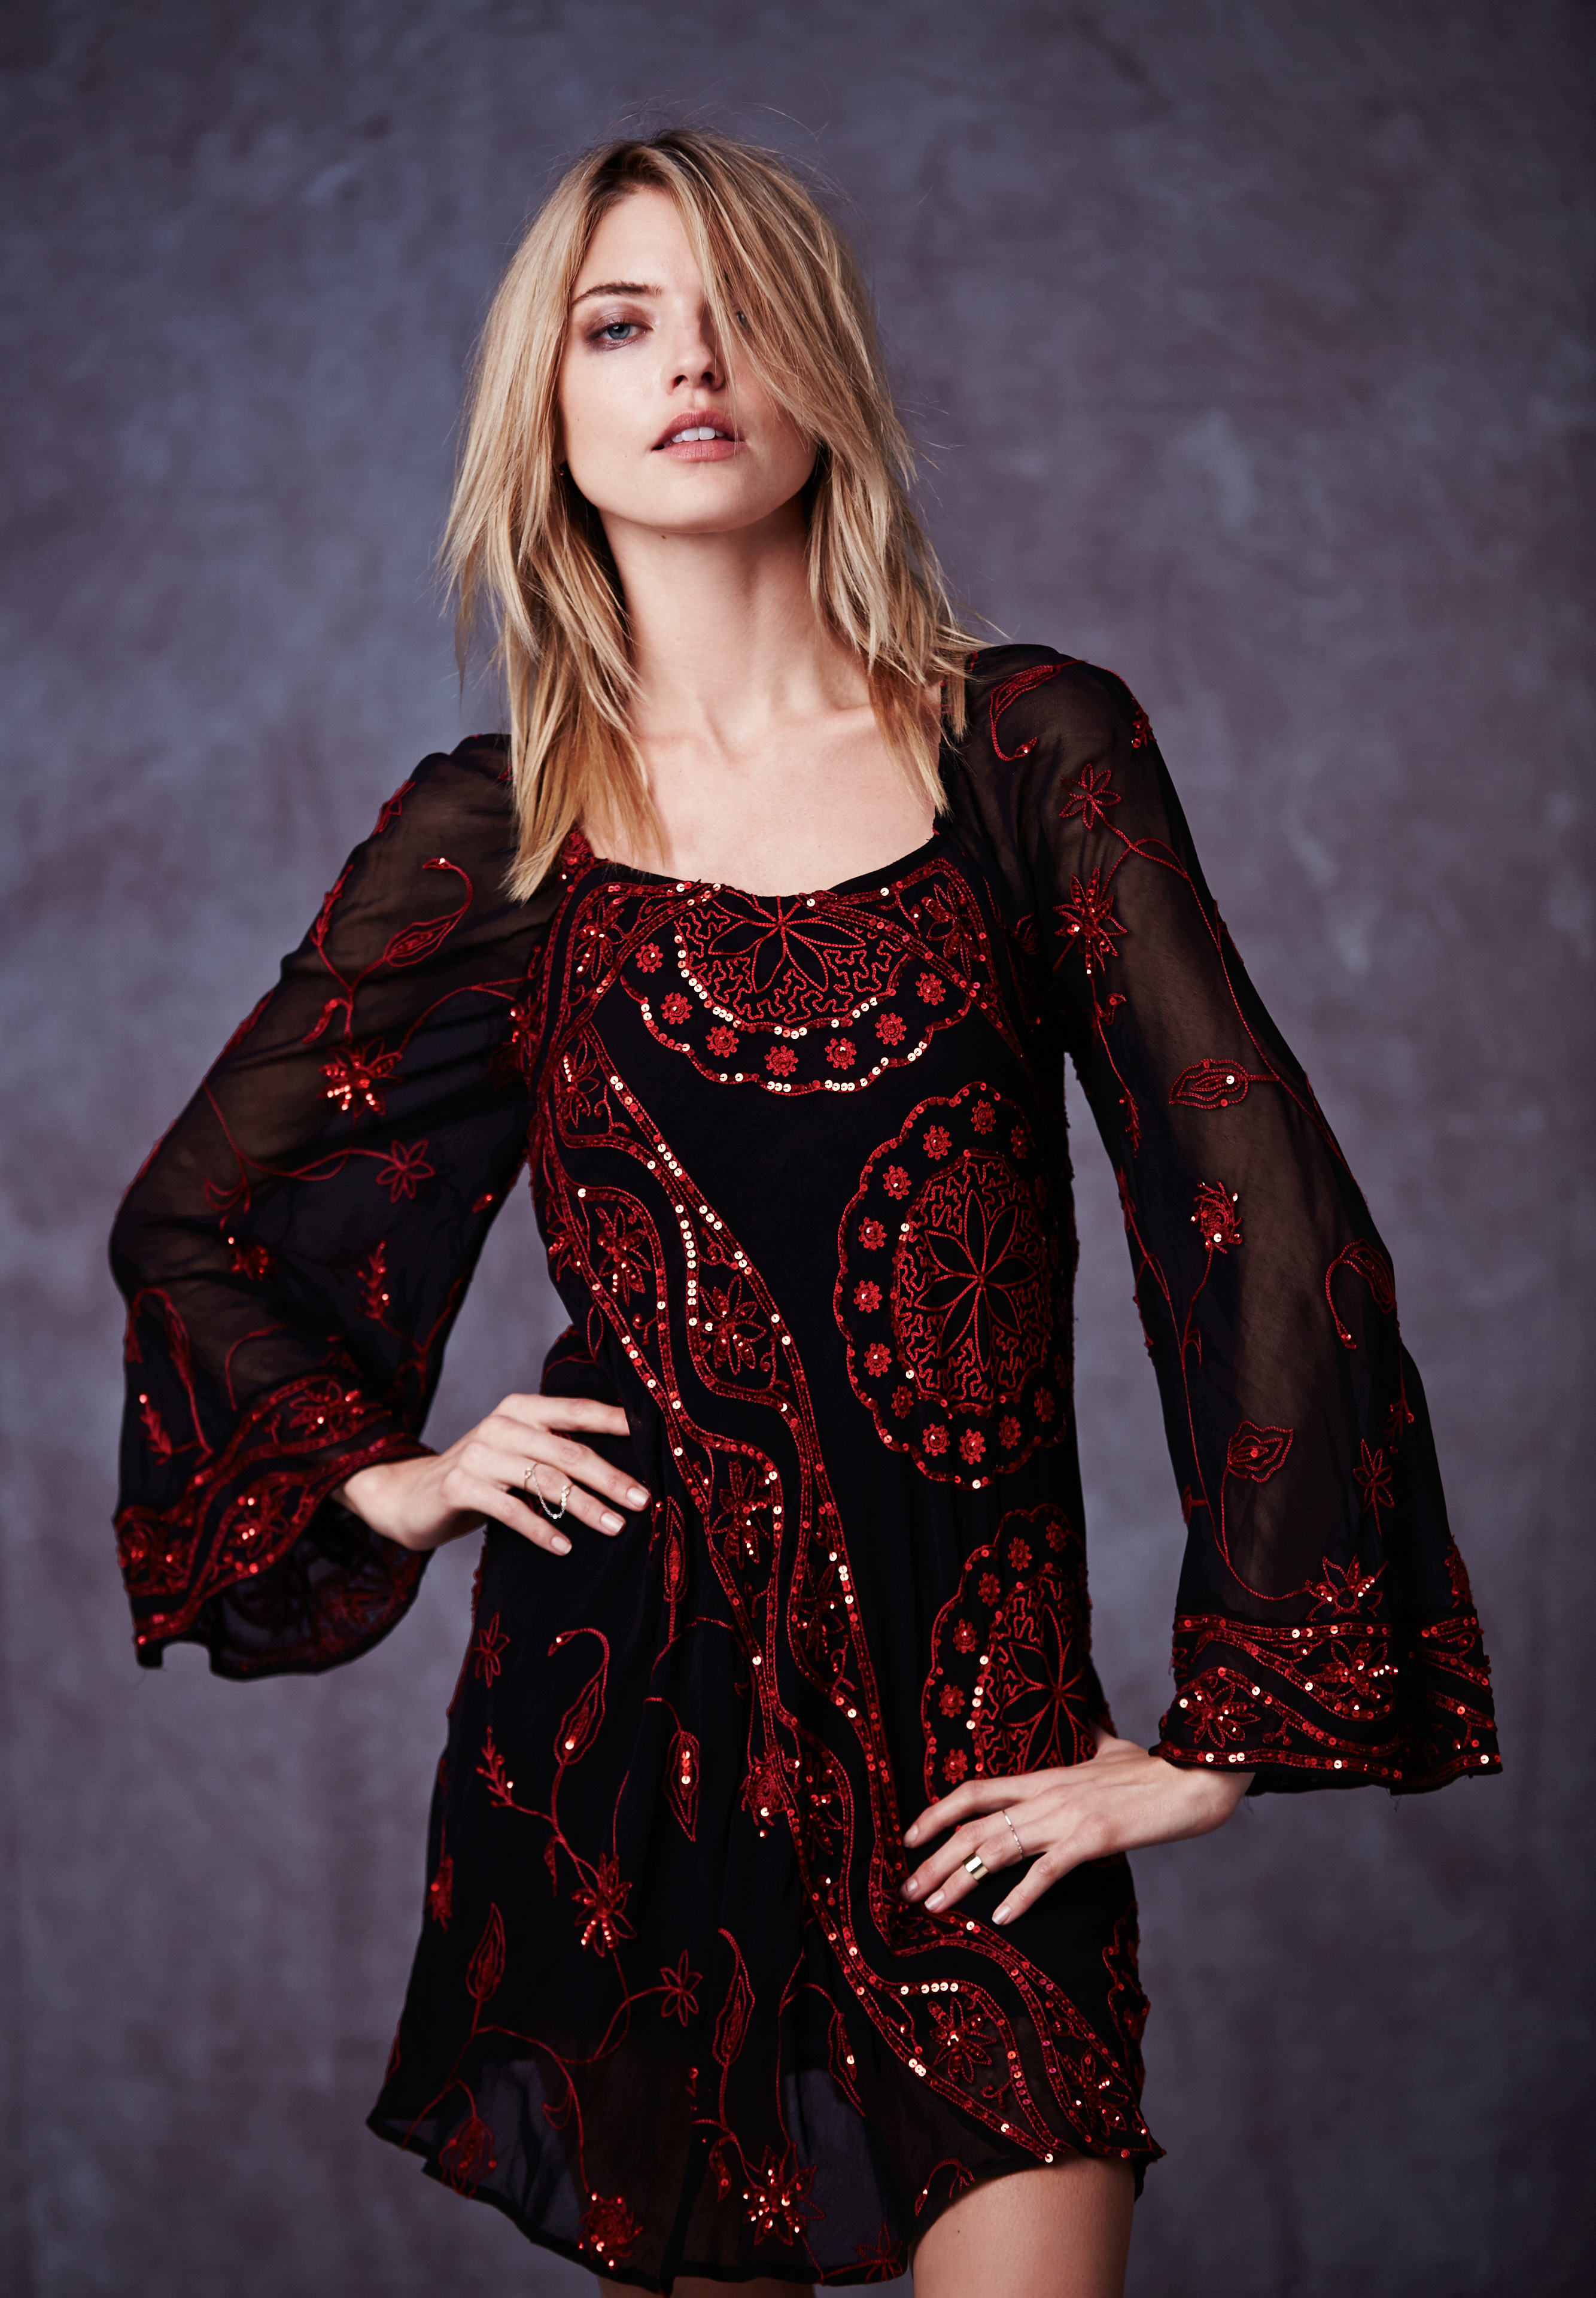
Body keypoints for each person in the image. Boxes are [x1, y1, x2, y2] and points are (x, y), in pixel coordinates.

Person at [109, 129, 1500, 2298]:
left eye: (741, 315)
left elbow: (1248, 1201)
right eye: (621, 324)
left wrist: (1237, 1722)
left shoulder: (1022, 749)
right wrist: (393, 1476)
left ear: (826, 370)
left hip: (979, 1773)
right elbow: (194, 1220)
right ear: (547, 404)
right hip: (626, 1755)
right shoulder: (499, 838)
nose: (692, 365)